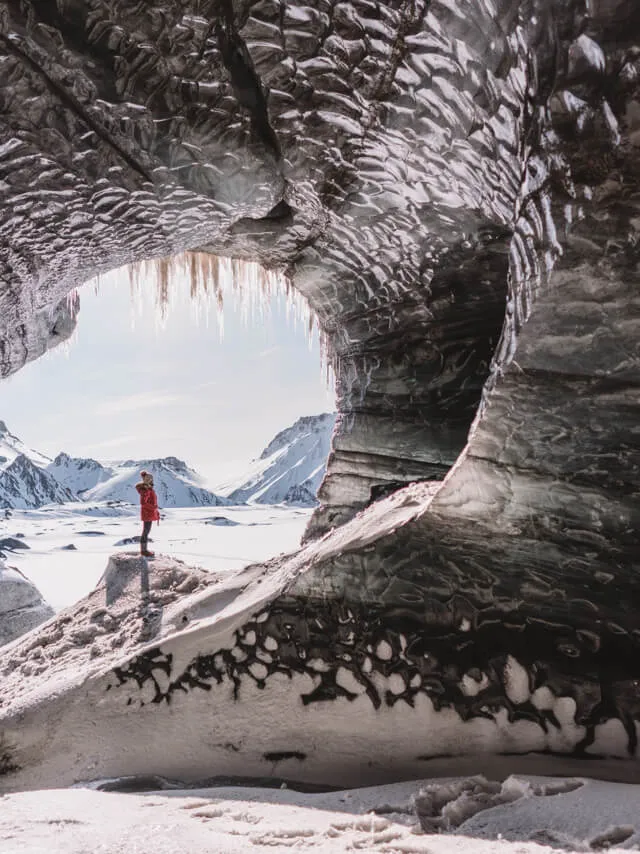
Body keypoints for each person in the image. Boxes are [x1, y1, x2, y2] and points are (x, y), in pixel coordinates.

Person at [135, 470, 160, 557]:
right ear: (148, 480)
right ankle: (144, 551)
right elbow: (143, 503)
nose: (152, 481)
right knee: (145, 532)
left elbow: (151, 502)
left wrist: (155, 510)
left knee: (146, 531)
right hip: (147, 513)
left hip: (149, 513)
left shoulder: (148, 489)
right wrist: (153, 508)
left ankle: (144, 550)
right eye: (151, 480)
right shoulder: (145, 490)